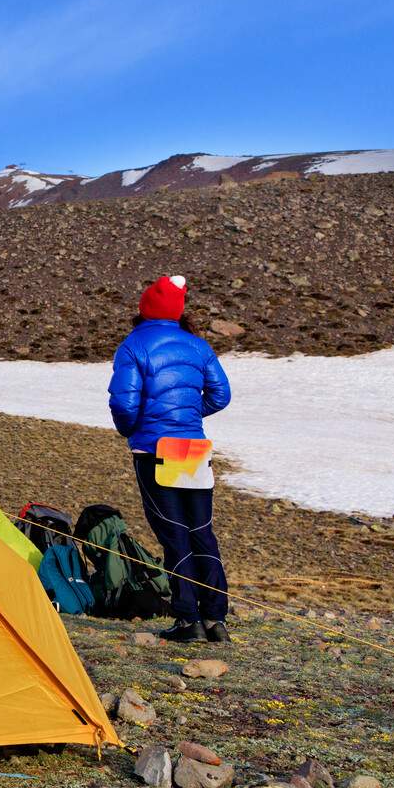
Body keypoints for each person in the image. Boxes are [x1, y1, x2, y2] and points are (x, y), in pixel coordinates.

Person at [108, 275, 233, 642]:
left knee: (173, 533)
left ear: (145, 308)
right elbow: (220, 394)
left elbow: (123, 402)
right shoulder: (197, 345)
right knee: (200, 530)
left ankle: (187, 620)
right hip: (192, 448)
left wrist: (134, 429)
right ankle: (215, 620)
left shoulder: (133, 346)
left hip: (153, 450)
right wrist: (187, 416)